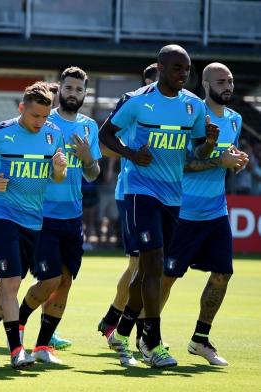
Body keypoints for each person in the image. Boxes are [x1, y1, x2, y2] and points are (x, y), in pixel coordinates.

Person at [99, 44, 216, 368]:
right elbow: (105, 134)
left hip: (173, 196)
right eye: (177, 68)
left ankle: (122, 332)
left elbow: (197, 154)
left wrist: (207, 142)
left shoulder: (193, 106)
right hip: (140, 191)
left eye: (187, 69)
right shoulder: (137, 101)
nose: (183, 75)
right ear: (161, 68)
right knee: (155, 262)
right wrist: (131, 153)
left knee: (152, 268)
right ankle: (150, 342)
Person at [0, 81, 67, 369]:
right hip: (3, 213)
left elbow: (57, 179)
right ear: (22, 108)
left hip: (34, 220)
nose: (40, 122)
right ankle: (16, 351)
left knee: (9, 284)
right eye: (35, 115)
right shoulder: (0, 134)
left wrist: (60, 171)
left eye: (45, 117)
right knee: (11, 282)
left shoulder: (54, 135)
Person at [163, 63, 248, 366]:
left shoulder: (235, 120)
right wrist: (219, 163)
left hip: (216, 211)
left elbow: (226, 158)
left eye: (231, 80)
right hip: (184, 210)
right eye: (221, 81)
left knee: (223, 274)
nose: (228, 86)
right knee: (167, 277)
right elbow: (180, 163)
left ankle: (200, 339)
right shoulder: (192, 115)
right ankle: (149, 337)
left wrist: (235, 162)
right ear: (206, 85)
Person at [17, 67, 101, 364]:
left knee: (65, 281)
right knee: (49, 281)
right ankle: (17, 320)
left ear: (84, 93)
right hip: (43, 217)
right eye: (68, 88)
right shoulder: (43, 121)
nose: (73, 94)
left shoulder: (90, 126)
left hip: (72, 218)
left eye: (79, 90)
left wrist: (89, 159)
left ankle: (42, 347)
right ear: (59, 90)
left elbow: (93, 174)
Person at [97, 63, 158, 342]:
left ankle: (116, 320)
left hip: (163, 194)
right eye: (155, 79)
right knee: (139, 264)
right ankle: (119, 322)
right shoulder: (135, 105)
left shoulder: (178, 107)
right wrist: (129, 155)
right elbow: (106, 142)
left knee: (146, 266)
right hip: (132, 192)